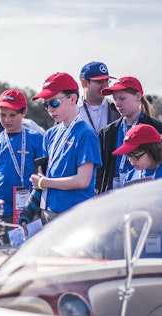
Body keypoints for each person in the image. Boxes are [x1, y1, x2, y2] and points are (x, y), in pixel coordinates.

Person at [29, 72, 102, 224]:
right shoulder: (50, 134)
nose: (49, 109)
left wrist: (45, 182)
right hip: (48, 212)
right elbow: (41, 177)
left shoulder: (86, 134)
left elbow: (82, 181)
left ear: (73, 99)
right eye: (45, 104)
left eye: (54, 103)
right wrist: (28, 210)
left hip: (74, 215)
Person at [111, 124, 162, 259]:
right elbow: (127, 213)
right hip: (139, 252)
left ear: (153, 150)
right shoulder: (131, 176)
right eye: (128, 156)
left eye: (136, 156)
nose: (132, 161)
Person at [97, 76, 162, 193]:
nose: (117, 104)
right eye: (115, 99)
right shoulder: (107, 132)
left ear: (138, 97)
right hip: (113, 191)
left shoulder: (156, 127)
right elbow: (101, 170)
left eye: (122, 98)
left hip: (147, 190)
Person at [0, 89, 44, 223]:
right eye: (2, 115)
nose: (7, 120)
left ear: (24, 112)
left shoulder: (37, 139)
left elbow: (43, 176)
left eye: (12, 115)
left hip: (29, 211)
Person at [78, 61, 120, 133]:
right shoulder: (72, 110)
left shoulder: (116, 108)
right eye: (100, 81)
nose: (105, 86)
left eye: (106, 81)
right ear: (84, 83)